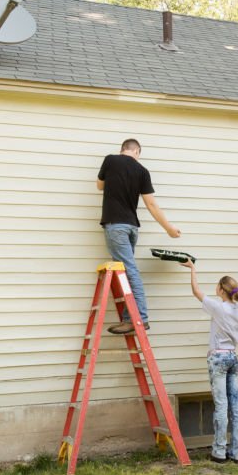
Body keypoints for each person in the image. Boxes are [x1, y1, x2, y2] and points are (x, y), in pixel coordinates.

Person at [97, 139, 180, 335]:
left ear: (122, 149)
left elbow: (100, 186)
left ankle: (139, 318)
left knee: (130, 272)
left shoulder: (110, 160)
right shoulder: (142, 171)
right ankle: (129, 318)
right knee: (126, 272)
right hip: (132, 227)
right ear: (137, 152)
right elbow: (152, 205)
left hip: (116, 226)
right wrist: (168, 228)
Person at [180, 259, 238, 464]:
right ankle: (237, 453)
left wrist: (192, 268)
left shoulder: (218, 307)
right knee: (235, 406)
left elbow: (196, 292)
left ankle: (219, 452)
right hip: (233, 358)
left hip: (218, 358)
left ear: (220, 290)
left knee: (221, 405)